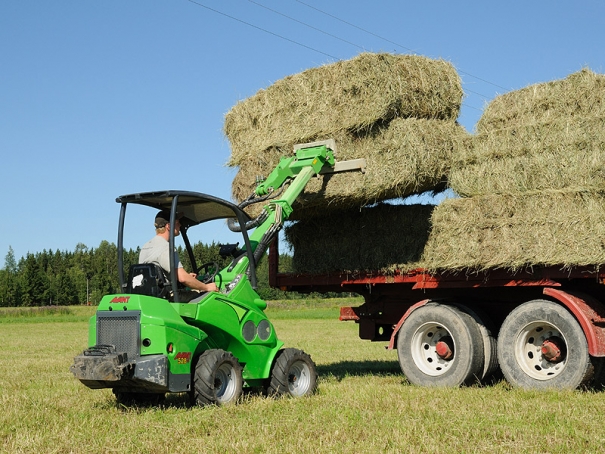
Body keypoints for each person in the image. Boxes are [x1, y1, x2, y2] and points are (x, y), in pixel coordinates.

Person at [139, 210, 218, 298]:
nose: (180, 225)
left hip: (152, 296)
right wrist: (206, 287)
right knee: (206, 297)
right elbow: (182, 278)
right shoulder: (166, 247)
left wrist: (188, 277)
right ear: (169, 226)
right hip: (168, 297)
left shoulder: (145, 247)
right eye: (177, 222)